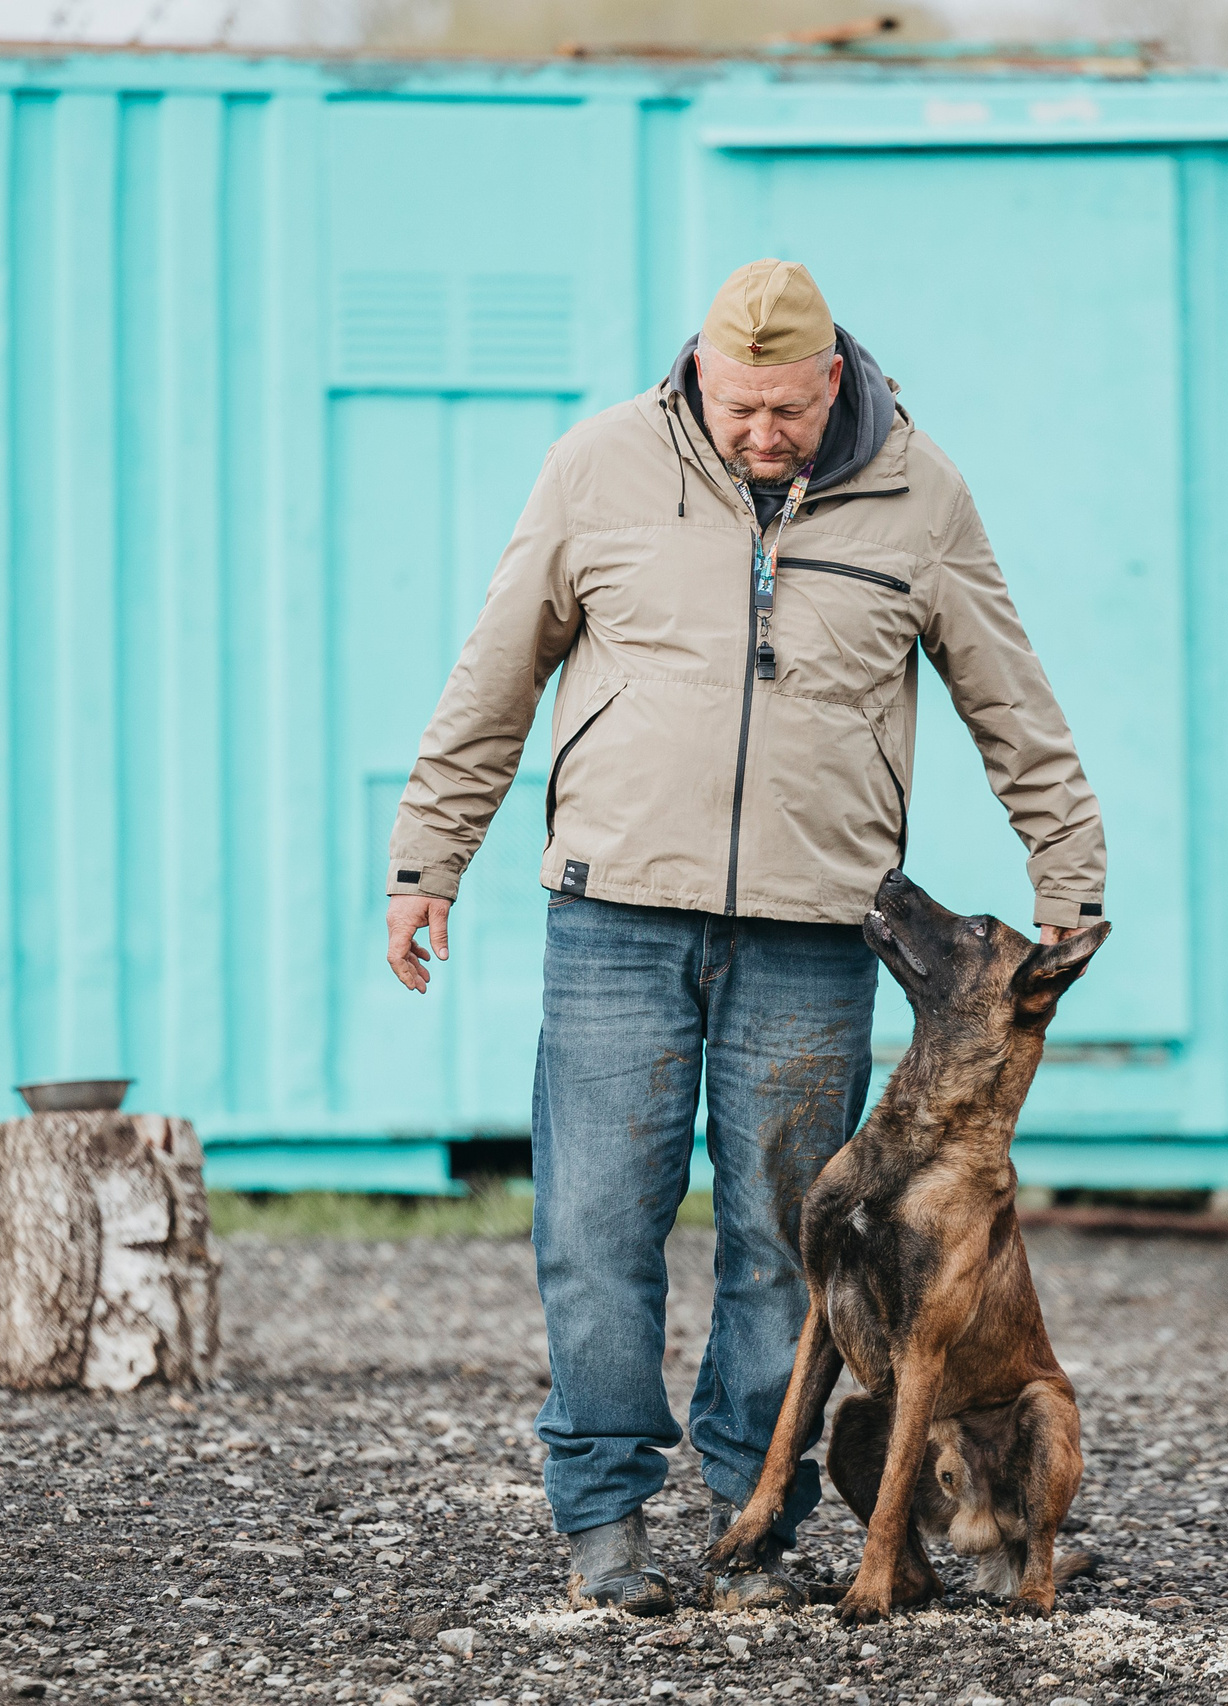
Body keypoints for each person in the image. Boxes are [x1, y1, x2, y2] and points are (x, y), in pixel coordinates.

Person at [382, 260, 1106, 1613]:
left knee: (793, 1240)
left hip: (811, 931)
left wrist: (1067, 857)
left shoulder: (920, 491)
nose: (762, 435)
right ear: (695, 375)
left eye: (786, 409)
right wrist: (430, 853)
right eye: (737, 408)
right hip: (614, 913)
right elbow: (495, 667)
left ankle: (749, 1517)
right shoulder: (597, 466)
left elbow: (1009, 686)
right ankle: (605, 1511)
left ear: (833, 378)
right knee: (598, 1222)